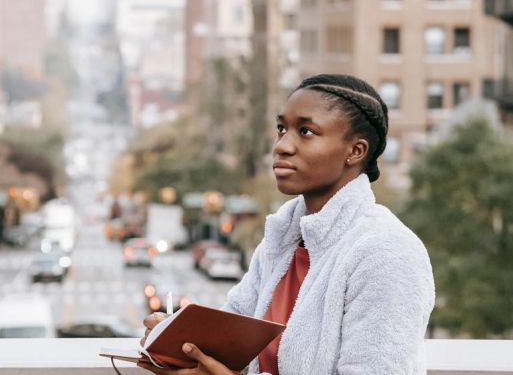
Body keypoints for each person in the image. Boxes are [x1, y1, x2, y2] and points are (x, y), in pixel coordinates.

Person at [137, 74, 435, 375]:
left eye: (306, 131)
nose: (281, 146)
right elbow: (231, 340)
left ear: (355, 151)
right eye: (282, 128)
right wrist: (179, 342)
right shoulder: (283, 237)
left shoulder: (388, 253)